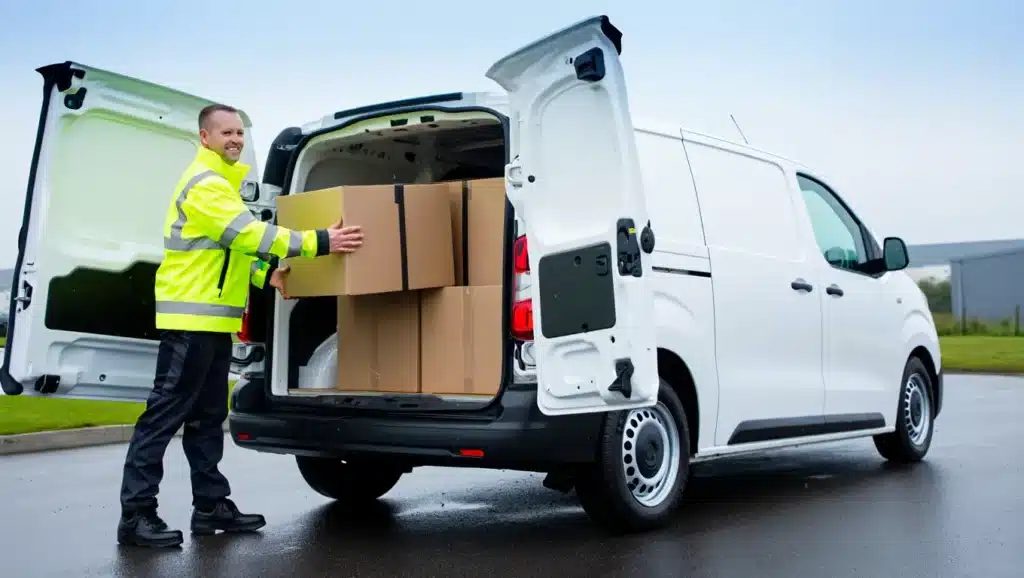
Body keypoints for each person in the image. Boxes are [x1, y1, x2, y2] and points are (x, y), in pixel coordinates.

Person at [117, 103, 363, 548]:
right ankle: (136, 515)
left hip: (211, 322)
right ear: (205, 137)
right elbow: (252, 236)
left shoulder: (224, 185)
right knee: (162, 417)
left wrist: (263, 275)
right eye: (226, 133)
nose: (235, 140)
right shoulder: (206, 185)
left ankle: (210, 506)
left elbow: (227, 253)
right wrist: (322, 241)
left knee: (209, 419)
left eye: (239, 133)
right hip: (189, 320)